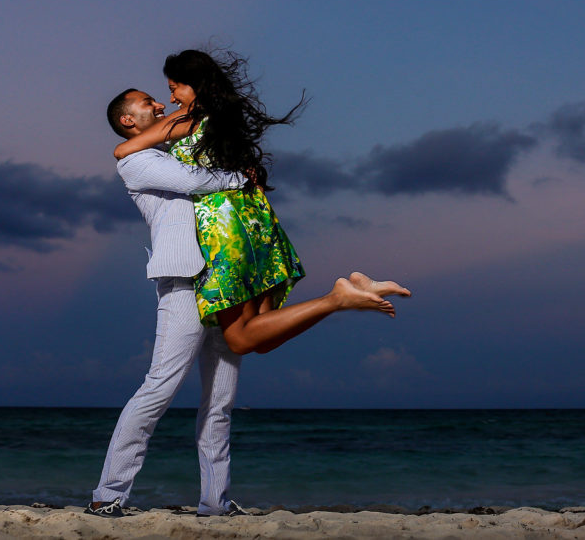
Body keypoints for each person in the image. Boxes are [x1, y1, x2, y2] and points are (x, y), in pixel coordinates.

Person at [89, 86, 409, 518]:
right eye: (149, 103)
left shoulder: (177, 149)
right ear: (128, 120)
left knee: (220, 402)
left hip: (225, 281)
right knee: (159, 389)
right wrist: (241, 176)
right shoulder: (137, 162)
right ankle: (109, 495)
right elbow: (196, 184)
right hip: (185, 283)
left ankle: (215, 502)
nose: (160, 105)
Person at [112, 49, 410, 355]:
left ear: (194, 84)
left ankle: (335, 299)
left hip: (225, 228)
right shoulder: (224, 115)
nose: (171, 99)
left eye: (174, 89)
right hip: (258, 220)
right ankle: (352, 290)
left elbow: (124, 150)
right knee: (263, 332)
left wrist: (163, 131)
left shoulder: (186, 118)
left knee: (240, 339)